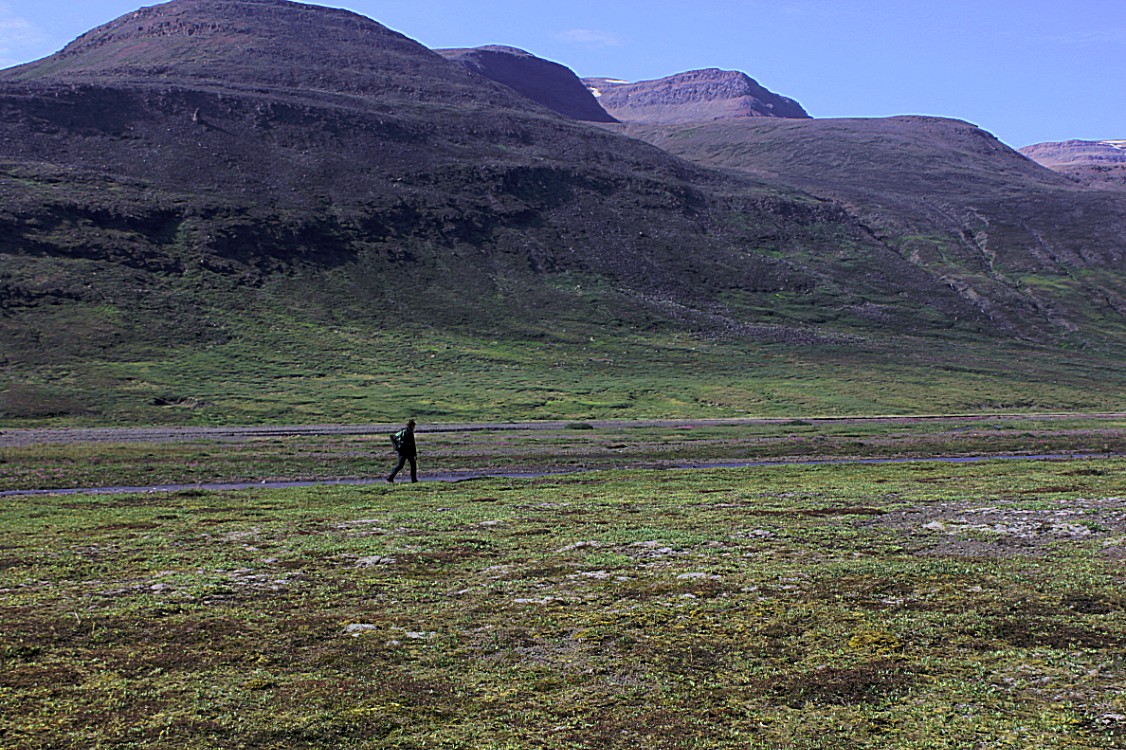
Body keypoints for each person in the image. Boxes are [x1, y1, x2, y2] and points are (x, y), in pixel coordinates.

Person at [387, 419, 418, 483]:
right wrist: (415, 454)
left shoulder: (403, 430)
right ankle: (414, 480)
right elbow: (413, 444)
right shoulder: (410, 432)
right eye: (414, 425)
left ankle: (390, 477)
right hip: (409, 452)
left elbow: (393, 437)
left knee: (400, 465)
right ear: (412, 425)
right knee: (413, 465)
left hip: (402, 451)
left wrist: (396, 447)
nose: (414, 427)